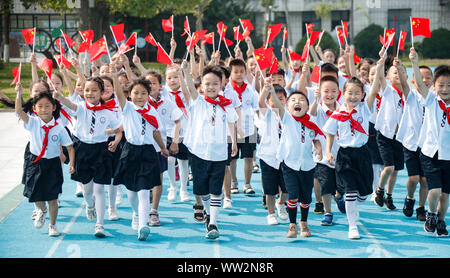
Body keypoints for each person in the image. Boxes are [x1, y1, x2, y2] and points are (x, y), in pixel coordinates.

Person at [54, 76, 122, 238]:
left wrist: (116, 140)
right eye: (86, 90)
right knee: (87, 188)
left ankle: (100, 224)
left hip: (100, 150)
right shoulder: (81, 108)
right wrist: (60, 97)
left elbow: (119, 128)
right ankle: (89, 205)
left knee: (99, 189)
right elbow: (70, 104)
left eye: (94, 90)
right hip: (82, 150)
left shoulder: (108, 112)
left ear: (101, 92)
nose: (90, 93)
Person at [113, 64, 170, 240]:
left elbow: (155, 131)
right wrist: (115, 77)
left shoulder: (152, 110)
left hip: (147, 151)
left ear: (148, 94)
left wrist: (163, 147)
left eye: (143, 93)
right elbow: (118, 96)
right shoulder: (128, 108)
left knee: (145, 189)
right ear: (130, 95)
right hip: (130, 151)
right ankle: (136, 213)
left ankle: (144, 225)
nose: (139, 96)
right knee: (132, 190)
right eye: (136, 93)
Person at [182, 61, 238, 239]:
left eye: (215, 83)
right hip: (199, 152)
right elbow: (190, 87)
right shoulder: (198, 102)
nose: (212, 87)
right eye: (207, 84)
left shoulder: (226, 104)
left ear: (221, 84)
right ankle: (207, 213)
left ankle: (213, 223)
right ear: (202, 86)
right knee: (201, 189)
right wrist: (185, 71)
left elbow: (232, 123)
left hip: (219, 154)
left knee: (216, 189)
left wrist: (234, 143)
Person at [15, 85, 74, 237]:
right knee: (35, 194)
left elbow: (70, 147)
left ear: (54, 107)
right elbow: (19, 111)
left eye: (47, 106)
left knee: (53, 197)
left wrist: (72, 163)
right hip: (35, 162)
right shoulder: (33, 123)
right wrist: (19, 93)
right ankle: (41, 210)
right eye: (40, 106)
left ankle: (53, 225)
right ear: (34, 109)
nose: (44, 109)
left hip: (52, 164)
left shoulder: (59, 127)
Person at [270, 85, 324, 238]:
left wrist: (319, 149)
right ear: (288, 106)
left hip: (307, 165)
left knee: (306, 197)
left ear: (307, 107)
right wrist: (271, 91)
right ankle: (292, 224)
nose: (297, 102)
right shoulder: (286, 118)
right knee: (293, 195)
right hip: (290, 164)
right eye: (293, 100)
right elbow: (278, 105)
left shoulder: (311, 122)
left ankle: (304, 222)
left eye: (301, 100)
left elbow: (315, 138)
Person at [412, 48, 449, 237]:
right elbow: (419, 84)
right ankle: (432, 215)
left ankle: (441, 221)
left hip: (449, 155)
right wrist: (415, 62)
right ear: (434, 86)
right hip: (430, 153)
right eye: (441, 85)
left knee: (446, 193)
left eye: (449, 85)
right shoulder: (432, 101)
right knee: (435, 189)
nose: (445, 89)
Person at [145, 69, 183, 226]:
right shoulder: (140, 102)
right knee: (143, 179)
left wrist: (174, 141)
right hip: (142, 145)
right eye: (147, 83)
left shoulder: (168, 103)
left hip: (159, 146)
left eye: (153, 83)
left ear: (160, 85)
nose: (150, 86)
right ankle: (143, 206)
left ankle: (154, 211)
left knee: (158, 178)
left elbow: (178, 121)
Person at [373, 53, 410, 210]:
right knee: (388, 167)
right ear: (388, 77)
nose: (398, 75)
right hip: (385, 135)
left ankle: (389, 196)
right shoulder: (388, 90)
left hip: (399, 137)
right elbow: (379, 77)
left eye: (401, 72)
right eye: (395, 72)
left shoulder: (409, 94)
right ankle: (379, 191)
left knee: (396, 170)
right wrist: (381, 62)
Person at [396, 50, 430, 221]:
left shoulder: (434, 98)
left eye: (428, 78)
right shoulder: (411, 96)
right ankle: (410, 198)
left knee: (425, 181)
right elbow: (404, 83)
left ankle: (421, 207)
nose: (425, 80)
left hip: (428, 146)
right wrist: (405, 67)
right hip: (411, 144)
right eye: (421, 77)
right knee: (414, 178)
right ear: (414, 80)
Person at [309, 76, 346, 226]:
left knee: (342, 184)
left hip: (341, 154)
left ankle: (338, 196)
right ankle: (328, 212)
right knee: (325, 184)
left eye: (333, 91)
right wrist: (315, 100)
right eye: (326, 91)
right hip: (322, 155)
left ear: (339, 92)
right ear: (320, 92)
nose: (330, 94)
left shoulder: (342, 109)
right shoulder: (318, 108)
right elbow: (311, 114)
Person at [226, 58, 259, 195]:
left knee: (248, 158)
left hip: (248, 129)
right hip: (230, 130)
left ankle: (247, 183)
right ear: (230, 73)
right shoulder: (227, 90)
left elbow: (257, 108)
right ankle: (234, 182)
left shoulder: (250, 90)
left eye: (241, 71)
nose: (239, 74)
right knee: (232, 158)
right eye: (236, 72)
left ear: (246, 73)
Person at [257, 80, 289, 225]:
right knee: (270, 189)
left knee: (287, 187)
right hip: (268, 156)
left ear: (285, 100)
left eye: (281, 98)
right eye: (273, 99)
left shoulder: (289, 114)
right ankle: (271, 213)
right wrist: (265, 89)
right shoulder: (267, 113)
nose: (277, 101)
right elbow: (260, 103)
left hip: (286, 156)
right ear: (269, 101)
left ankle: (281, 203)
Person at [163, 64, 191, 202]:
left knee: (183, 162)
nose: (173, 80)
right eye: (169, 78)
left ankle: (183, 189)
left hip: (184, 132)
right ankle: (173, 187)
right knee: (169, 160)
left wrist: (182, 73)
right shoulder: (163, 93)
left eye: (176, 77)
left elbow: (187, 94)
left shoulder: (184, 91)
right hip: (168, 132)